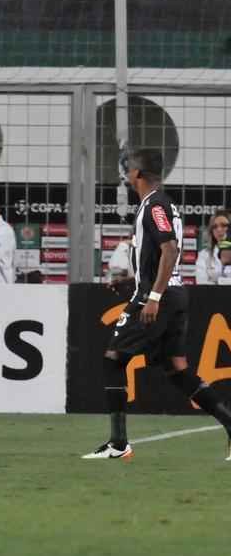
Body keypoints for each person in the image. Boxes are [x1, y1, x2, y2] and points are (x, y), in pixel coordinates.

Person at [83, 150, 231, 461]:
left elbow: (170, 249)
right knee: (176, 369)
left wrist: (152, 296)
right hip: (171, 294)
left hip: (159, 298)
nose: (126, 174)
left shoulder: (155, 204)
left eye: (129, 169)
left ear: (136, 173)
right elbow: (156, 257)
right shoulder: (158, 205)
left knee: (113, 359)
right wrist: (129, 282)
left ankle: (119, 444)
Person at [193, 209, 230, 285]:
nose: (219, 230)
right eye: (215, 227)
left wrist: (217, 281)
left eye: (223, 225)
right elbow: (201, 283)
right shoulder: (204, 255)